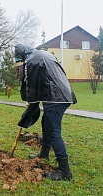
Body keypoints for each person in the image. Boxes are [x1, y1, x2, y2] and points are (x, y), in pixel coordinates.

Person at [14, 43, 77, 181]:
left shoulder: (32, 59)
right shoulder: (41, 54)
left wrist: (29, 100)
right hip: (61, 95)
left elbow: (29, 83)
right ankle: (44, 154)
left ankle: (65, 171)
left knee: (54, 132)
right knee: (46, 124)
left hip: (56, 98)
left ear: (22, 56)